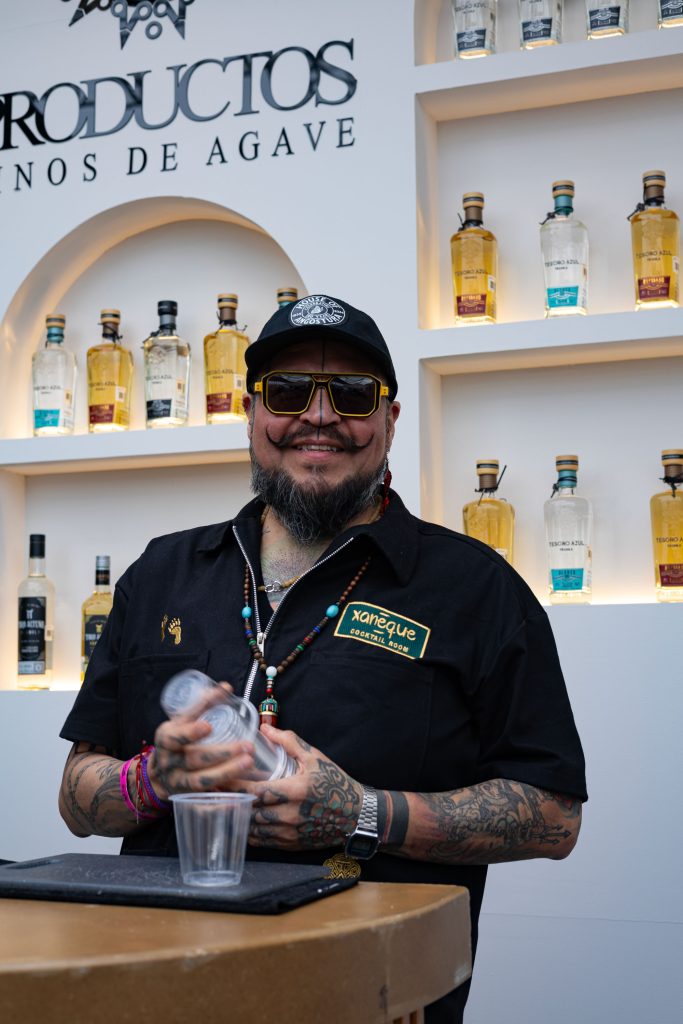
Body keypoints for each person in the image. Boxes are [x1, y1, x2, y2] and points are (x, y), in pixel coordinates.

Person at [59, 293, 587, 1022]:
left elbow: (554, 816)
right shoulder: (161, 573)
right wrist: (153, 779)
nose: (318, 415)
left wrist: (363, 814)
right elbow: (76, 797)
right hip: (157, 991)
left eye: (351, 394)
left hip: (371, 995)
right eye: (287, 391)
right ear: (251, 412)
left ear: (389, 420)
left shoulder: (476, 588)